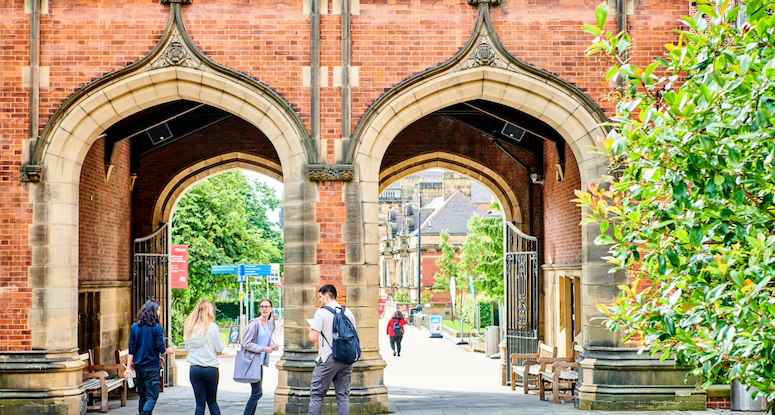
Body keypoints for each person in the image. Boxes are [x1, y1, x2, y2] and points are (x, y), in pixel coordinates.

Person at [308, 285, 356, 415]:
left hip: (328, 357)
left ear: (326, 296)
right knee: (343, 395)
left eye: (320, 297)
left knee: (317, 394)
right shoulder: (348, 312)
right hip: (347, 358)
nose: (319, 300)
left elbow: (313, 338)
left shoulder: (321, 312)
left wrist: (310, 330)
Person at [125, 300, 176, 415]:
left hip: (138, 367)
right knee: (152, 396)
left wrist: (128, 367)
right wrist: (170, 350)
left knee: (142, 396)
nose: (159, 312)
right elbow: (161, 349)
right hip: (152, 367)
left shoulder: (135, 327)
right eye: (158, 310)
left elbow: (131, 348)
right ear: (153, 312)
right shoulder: (156, 328)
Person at [184, 299, 225, 415]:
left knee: (200, 403)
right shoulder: (212, 327)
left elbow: (188, 349)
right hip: (211, 368)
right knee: (212, 401)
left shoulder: (190, 328)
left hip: (195, 368)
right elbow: (219, 348)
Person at [241, 298, 278, 415]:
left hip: (260, 363)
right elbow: (246, 343)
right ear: (259, 309)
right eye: (262, 306)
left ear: (271, 309)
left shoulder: (271, 325)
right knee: (257, 393)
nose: (264, 309)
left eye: (267, 306)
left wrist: (272, 346)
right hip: (252, 362)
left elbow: (264, 342)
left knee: (255, 393)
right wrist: (264, 349)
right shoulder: (254, 324)